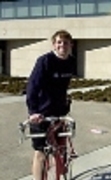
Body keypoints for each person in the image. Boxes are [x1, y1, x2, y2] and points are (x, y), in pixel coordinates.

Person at [26, 29, 75, 180]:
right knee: (40, 153)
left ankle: (61, 171)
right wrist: (33, 111)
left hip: (59, 113)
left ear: (70, 45)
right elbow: (32, 87)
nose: (62, 45)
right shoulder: (45, 61)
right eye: (59, 42)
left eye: (65, 43)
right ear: (54, 45)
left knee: (61, 148)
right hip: (41, 114)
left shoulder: (70, 61)